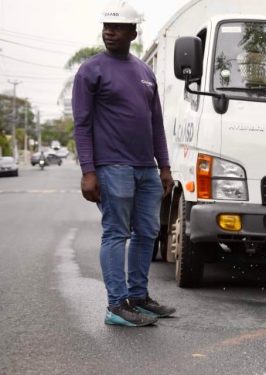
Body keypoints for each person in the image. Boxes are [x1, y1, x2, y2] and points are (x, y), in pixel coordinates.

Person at [72, 1, 175, 327]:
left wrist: (165, 167)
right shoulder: (91, 70)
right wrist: (89, 171)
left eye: (116, 27)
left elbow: (155, 123)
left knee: (147, 232)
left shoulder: (144, 72)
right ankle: (116, 306)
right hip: (112, 166)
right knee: (116, 233)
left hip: (146, 168)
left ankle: (138, 298)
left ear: (133, 32)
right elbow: (82, 123)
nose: (109, 32)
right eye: (106, 26)